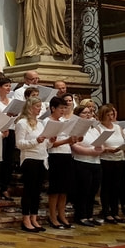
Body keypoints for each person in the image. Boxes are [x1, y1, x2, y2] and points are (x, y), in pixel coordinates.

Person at [15, 96, 55, 232]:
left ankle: (34, 217)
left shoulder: (41, 123)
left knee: (37, 192)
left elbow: (46, 144)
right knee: (29, 190)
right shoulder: (22, 123)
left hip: (42, 159)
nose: (40, 109)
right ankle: (26, 218)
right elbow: (19, 144)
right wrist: (36, 141)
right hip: (29, 160)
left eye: (40, 107)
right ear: (30, 107)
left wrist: (51, 141)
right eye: (37, 106)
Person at [44, 97, 75, 229]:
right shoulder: (47, 121)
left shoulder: (65, 122)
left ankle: (62, 215)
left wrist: (74, 139)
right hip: (54, 156)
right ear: (53, 108)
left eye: (65, 108)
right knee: (55, 189)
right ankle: (52, 216)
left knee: (64, 189)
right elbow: (49, 144)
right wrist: (66, 141)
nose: (63, 110)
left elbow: (68, 140)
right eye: (61, 108)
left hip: (66, 155)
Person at [71, 105, 104, 227]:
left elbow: (102, 142)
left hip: (96, 162)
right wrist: (91, 151)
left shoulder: (94, 129)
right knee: (83, 190)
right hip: (82, 162)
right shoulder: (76, 129)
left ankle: (89, 215)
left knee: (93, 190)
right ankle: (81, 216)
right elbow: (74, 146)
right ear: (78, 116)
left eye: (89, 112)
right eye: (84, 113)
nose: (88, 115)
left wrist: (101, 150)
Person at [97, 104, 125, 224]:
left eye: (112, 115)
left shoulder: (118, 127)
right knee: (106, 187)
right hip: (106, 160)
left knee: (117, 186)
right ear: (102, 116)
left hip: (119, 159)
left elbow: (123, 141)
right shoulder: (99, 128)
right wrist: (109, 149)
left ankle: (115, 211)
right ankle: (106, 211)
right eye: (108, 115)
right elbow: (98, 144)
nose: (110, 117)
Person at [0, 77, 16, 201]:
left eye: (9, 85)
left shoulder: (12, 101)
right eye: (6, 86)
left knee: (8, 161)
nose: (9, 88)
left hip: (11, 130)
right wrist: (5, 116)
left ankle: (5, 187)